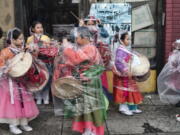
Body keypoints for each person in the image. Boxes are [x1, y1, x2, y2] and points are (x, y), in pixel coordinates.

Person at [63, 27, 107, 135]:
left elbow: (76, 59)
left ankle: (90, 130)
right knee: (84, 106)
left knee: (89, 106)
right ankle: (88, 129)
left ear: (84, 38)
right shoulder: (85, 47)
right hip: (85, 80)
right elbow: (74, 61)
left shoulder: (90, 48)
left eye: (77, 37)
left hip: (89, 81)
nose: (75, 40)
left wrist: (66, 48)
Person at [0, 28, 39, 134]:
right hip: (10, 82)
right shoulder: (5, 52)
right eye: (20, 39)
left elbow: (33, 56)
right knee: (13, 103)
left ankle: (24, 122)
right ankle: (13, 125)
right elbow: (1, 66)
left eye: (23, 39)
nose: (22, 41)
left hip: (22, 80)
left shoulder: (23, 49)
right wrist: (6, 69)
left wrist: (33, 49)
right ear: (12, 40)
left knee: (24, 101)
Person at [113, 32, 143, 116]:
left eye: (130, 39)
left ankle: (132, 107)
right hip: (123, 75)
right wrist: (126, 70)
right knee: (124, 91)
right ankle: (123, 108)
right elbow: (118, 62)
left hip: (128, 74)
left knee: (131, 90)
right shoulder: (120, 50)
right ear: (121, 40)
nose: (129, 41)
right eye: (127, 39)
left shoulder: (125, 49)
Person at [27, 21, 55, 105]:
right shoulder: (29, 39)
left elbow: (50, 50)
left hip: (45, 62)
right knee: (36, 80)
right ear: (33, 29)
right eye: (38, 27)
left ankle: (45, 97)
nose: (40, 29)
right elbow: (28, 50)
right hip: (35, 62)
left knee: (46, 79)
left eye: (41, 27)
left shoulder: (46, 38)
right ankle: (38, 97)